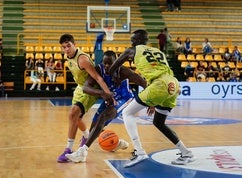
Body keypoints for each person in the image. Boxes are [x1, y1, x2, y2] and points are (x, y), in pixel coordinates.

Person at [109, 29, 195, 167]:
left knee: (127, 113)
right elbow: (165, 71)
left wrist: (113, 77)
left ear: (136, 41)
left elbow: (112, 68)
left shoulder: (131, 50)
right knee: (159, 122)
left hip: (158, 86)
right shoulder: (158, 51)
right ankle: (186, 153)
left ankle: (140, 152)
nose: (131, 42)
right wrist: (154, 100)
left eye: (132, 40)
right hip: (173, 84)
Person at [65, 50, 147, 163]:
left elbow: (143, 82)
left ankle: (82, 152)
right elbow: (86, 87)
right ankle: (117, 144)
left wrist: (150, 102)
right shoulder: (99, 69)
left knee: (103, 117)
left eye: (110, 63)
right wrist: (101, 93)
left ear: (116, 62)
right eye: (105, 63)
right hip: (108, 97)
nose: (107, 66)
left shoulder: (123, 71)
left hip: (124, 98)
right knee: (94, 129)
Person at [57, 34, 112, 163]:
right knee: (76, 118)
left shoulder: (82, 59)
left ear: (74, 44)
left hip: (90, 89)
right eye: (63, 47)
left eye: (68, 46)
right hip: (80, 88)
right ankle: (87, 136)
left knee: (73, 114)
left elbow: (98, 78)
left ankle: (68, 150)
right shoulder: (68, 56)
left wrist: (107, 93)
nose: (66, 49)